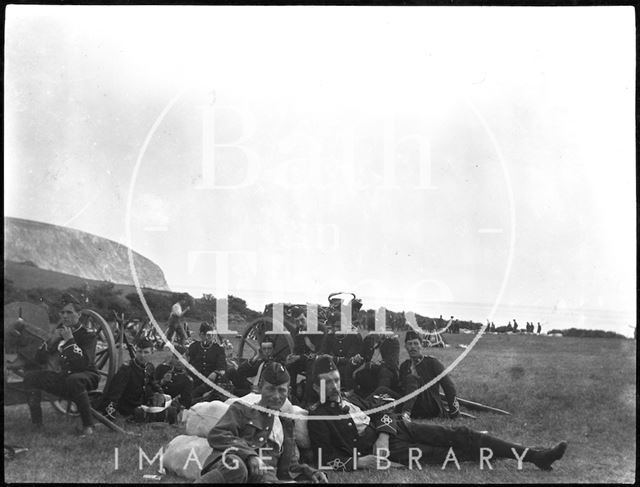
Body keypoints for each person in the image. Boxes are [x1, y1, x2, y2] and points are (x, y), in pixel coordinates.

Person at [308, 355, 567, 472]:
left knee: (462, 433)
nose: (333, 386)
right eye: (326, 382)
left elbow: (383, 406)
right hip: (389, 453)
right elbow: (323, 459)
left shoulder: (352, 397)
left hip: (397, 431)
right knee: (449, 455)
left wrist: (384, 435)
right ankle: (521, 454)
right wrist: (361, 462)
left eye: (335, 379)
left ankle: (535, 456)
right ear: (314, 386)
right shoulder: (317, 418)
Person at [195, 362, 328, 484]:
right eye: (270, 389)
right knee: (237, 466)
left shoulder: (286, 424)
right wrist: (249, 455)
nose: (276, 396)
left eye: (281, 390)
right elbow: (218, 434)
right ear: (259, 388)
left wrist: (310, 472)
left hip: (266, 480)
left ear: (289, 392)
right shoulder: (241, 409)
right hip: (234, 470)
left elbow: (290, 466)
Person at [23, 293, 99, 435]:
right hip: (64, 379)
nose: (64, 316)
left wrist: (70, 340)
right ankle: (37, 423)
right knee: (30, 377)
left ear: (79, 314)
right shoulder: (58, 333)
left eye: (69, 312)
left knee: (74, 379)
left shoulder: (88, 335)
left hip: (87, 376)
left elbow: (82, 364)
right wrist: (51, 341)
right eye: (62, 312)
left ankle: (88, 426)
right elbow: (39, 360)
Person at [100, 338, 177, 423]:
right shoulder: (127, 368)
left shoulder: (149, 367)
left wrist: (162, 394)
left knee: (169, 411)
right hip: (127, 407)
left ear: (152, 353)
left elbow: (152, 383)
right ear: (136, 352)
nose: (142, 355)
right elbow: (114, 393)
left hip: (143, 403)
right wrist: (110, 414)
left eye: (146, 352)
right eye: (139, 352)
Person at [398, 331, 459, 420]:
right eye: (409, 344)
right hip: (415, 407)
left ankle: (406, 414)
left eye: (416, 343)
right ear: (405, 347)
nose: (413, 347)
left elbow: (448, 386)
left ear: (421, 345)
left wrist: (454, 411)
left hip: (431, 405)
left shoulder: (432, 362)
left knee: (412, 378)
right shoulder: (404, 366)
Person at [188, 322, 227, 403]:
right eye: (207, 335)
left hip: (211, 381)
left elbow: (222, 366)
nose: (210, 338)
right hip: (195, 380)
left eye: (211, 335)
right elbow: (188, 363)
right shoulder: (194, 347)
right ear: (201, 335)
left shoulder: (218, 349)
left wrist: (216, 372)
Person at [155, 344, 194, 410]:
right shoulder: (162, 369)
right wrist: (162, 381)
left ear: (188, 360)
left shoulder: (187, 379)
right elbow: (150, 386)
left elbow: (185, 403)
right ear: (172, 358)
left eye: (182, 358)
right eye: (176, 358)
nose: (179, 361)